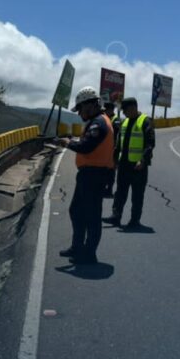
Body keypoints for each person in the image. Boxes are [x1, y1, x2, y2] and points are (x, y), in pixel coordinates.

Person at [56, 86, 114, 265]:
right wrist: (72, 141)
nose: (79, 112)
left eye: (80, 108)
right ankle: (78, 247)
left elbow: (87, 146)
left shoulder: (99, 123)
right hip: (89, 175)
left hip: (94, 175)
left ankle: (89, 254)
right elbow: (85, 142)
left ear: (91, 104)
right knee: (77, 211)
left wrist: (67, 143)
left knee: (92, 216)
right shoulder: (96, 121)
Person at [102, 97, 155, 229]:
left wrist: (142, 160)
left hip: (138, 167)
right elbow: (119, 144)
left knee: (137, 196)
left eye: (125, 110)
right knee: (120, 193)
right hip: (124, 165)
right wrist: (114, 160)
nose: (123, 113)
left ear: (132, 108)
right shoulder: (124, 122)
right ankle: (116, 217)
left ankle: (134, 221)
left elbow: (150, 144)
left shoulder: (145, 121)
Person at [102, 99, 120, 198]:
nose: (104, 111)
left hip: (113, 150)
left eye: (106, 110)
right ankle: (103, 188)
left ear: (110, 110)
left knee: (111, 171)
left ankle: (109, 190)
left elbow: (116, 135)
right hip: (105, 149)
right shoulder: (106, 118)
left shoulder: (115, 120)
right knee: (104, 170)